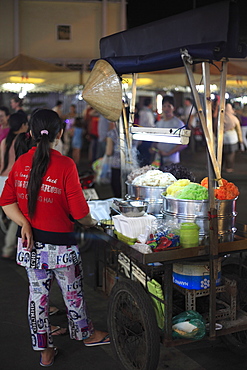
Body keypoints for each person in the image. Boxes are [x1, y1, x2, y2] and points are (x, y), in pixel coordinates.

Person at [0, 109, 110, 366]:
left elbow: (6, 202)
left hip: (30, 245)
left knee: (37, 297)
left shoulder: (21, 163)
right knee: (72, 293)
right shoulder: (65, 164)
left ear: (31, 133)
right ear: (60, 133)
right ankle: (86, 334)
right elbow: (81, 212)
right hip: (61, 246)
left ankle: (45, 351)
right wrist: (95, 223)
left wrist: (24, 222)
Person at [0, 113, 29, 258]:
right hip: (13, 181)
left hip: (1, 179)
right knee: (18, 217)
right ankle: (8, 248)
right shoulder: (23, 140)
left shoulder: (5, 141)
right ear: (23, 125)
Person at [151, 95, 186, 166]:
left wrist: (168, 153)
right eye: (164, 106)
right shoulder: (159, 123)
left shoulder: (178, 123)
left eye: (169, 106)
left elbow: (184, 143)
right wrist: (153, 147)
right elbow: (156, 140)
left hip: (172, 160)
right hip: (158, 159)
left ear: (174, 108)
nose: (166, 109)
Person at [223, 102, 243, 173]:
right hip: (232, 138)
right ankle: (229, 167)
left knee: (224, 153)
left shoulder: (222, 117)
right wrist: (241, 140)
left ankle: (223, 166)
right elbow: (238, 130)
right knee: (231, 154)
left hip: (223, 138)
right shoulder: (234, 118)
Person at [137, 97, 155, 166]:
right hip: (147, 136)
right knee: (147, 156)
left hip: (140, 135)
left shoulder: (141, 111)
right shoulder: (148, 113)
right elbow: (151, 125)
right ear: (150, 104)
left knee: (141, 156)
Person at [105, 121, 121, 198]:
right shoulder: (134, 131)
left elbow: (109, 152)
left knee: (118, 194)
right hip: (133, 166)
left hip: (116, 165)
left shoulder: (112, 133)